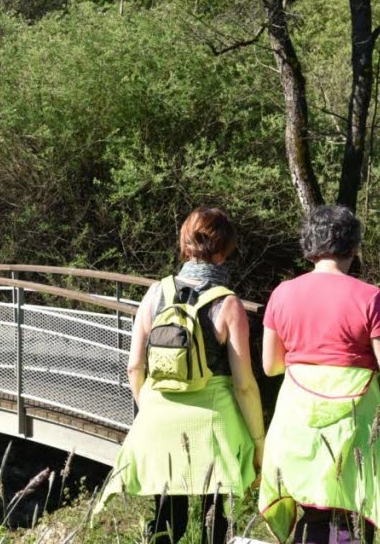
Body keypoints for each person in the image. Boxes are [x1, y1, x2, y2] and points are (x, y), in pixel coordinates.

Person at [257, 205, 380, 544]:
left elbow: (271, 365)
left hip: (296, 420)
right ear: (353, 246)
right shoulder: (370, 297)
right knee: (352, 513)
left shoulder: (282, 293)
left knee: (314, 512)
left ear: (309, 245)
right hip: (355, 422)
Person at [96, 206, 266, 544]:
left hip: (159, 421)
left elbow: (134, 367)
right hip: (214, 425)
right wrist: (259, 443)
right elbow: (244, 385)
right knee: (215, 520)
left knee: (165, 519)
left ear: (185, 245)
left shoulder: (155, 293)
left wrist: (151, 409)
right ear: (224, 251)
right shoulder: (228, 304)